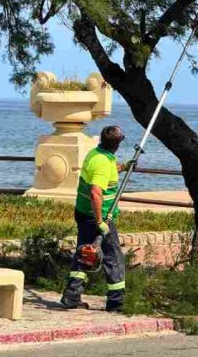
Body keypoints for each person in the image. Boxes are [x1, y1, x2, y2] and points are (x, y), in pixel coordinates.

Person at [61, 125, 131, 312]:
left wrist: (124, 167)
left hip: (83, 212)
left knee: (84, 252)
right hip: (97, 217)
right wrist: (100, 221)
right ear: (118, 143)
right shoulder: (102, 162)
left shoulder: (95, 154)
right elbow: (95, 192)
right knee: (113, 257)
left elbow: (108, 171)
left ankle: (71, 295)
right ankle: (116, 302)